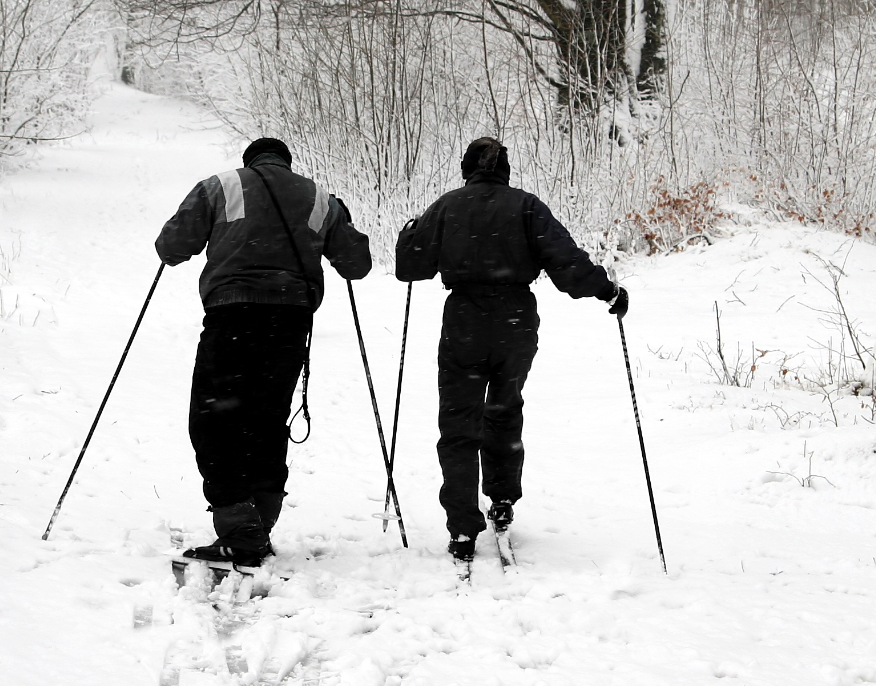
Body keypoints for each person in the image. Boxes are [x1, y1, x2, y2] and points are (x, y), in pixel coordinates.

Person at [395, 136, 628, 565]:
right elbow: (566, 261)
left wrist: (411, 232)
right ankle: (501, 500)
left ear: (467, 168)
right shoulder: (526, 206)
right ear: (505, 169)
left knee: (459, 422)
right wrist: (606, 289)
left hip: (464, 320)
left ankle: (463, 527)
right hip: (515, 322)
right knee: (503, 411)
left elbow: (410, 267)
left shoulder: (448, 206)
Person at [156, 137, 371, 566]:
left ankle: (240, 524)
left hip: (231, 315)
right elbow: (357, 265)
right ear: (287, 164)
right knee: (267, 419)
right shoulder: (319, 198)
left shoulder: (221, 186)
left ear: (249, 161)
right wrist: (340, 216)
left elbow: (171, 248)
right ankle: (259, 520)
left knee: (214, 418)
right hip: (289, 324)